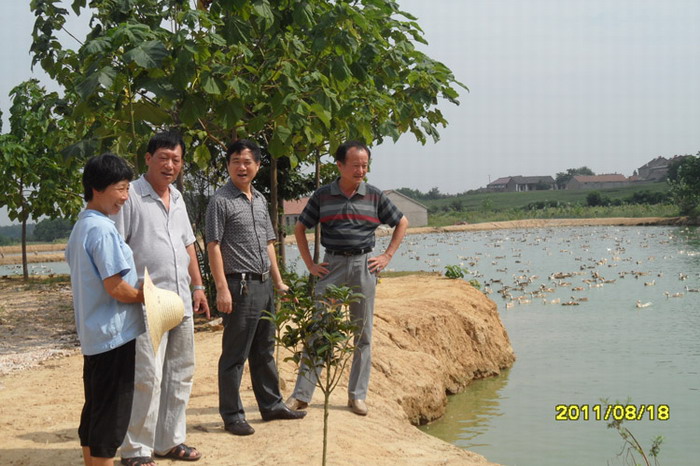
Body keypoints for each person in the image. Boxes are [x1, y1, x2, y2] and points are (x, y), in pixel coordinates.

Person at [287, 140, 409, 416]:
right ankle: (301, 395)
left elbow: (402, 222)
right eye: (355, 165)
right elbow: (300, 227)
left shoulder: (374, 196)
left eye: (365, 165)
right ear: (340, 165)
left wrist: (387, 256)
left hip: (365, 266)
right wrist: (310, 265)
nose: (360, 171)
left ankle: (357, 396)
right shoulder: (322, 196)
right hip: (332, 266)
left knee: (362, 334)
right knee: (320, 330)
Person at [113, 130, 210, 466]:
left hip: (180, 297)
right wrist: (126, 293)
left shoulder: (178, 198)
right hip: (147, 300)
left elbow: (188, 245)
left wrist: (198, 286)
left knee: (180, 372)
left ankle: (169, 441)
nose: (170, 165)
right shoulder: (130, 197)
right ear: (148, 159)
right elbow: (117, 246)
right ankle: (136, 449)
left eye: (176, 160)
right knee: (147, 376)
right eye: (164, 158)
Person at [206, 139, 307, 436]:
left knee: (264, 350)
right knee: (235, 354)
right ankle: (232, 415)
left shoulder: (260, 199)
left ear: (258, 166)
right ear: (228, 165)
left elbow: (268, 243)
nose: (242, 167)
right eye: (236, 161)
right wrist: (222, 288)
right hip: (239, 286)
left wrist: (278, 281)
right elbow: (213, 245)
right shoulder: (220, 201)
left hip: (264, 285)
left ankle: (272, 405)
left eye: (247, 161)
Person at [65, 153, 146, 466]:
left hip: (95, 335)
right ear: (97, 188)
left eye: (127, 189)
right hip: (114, 335)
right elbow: (116, 288)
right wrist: (145, 297)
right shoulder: (102, 230)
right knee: (111, 415)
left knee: (96, 409)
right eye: (121, 189)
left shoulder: (82, 226)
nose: (125, 197)